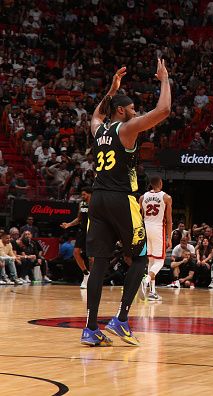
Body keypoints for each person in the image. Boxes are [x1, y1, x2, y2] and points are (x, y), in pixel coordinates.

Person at [81, 60, 171, 347]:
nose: (135, 112)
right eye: (131, 108)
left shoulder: (98, 130)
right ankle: (120, 318)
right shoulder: (126, 129)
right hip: (122, 199)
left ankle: (90, 328)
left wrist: (111, 89)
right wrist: (164, 80)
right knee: (142, 258)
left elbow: (96, 115)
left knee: (99, 265)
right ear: (121, 111)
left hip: (98, 199)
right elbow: (164, 111)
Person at [139, 176, 172, 301]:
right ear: (160, 183)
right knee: (160, 261)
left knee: (151, 260)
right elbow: (169, 220)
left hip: (145, 228)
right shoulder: (166, 197)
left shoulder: (142, 197)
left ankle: (152, 292)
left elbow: (139, 217)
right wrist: (169, 237)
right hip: (158, 228)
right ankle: (146, 281)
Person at [60, 186, 93, 289]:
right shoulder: (82, 204)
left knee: (92, 257)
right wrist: (69, 224)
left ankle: (93, 277)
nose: (82, 196)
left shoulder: (96, 203)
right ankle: (86, 273)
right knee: (76, 252)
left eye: (84, 194)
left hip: (93, 231)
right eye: (82, 194)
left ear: (90, 194)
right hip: (82, 230)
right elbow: (79, 218)